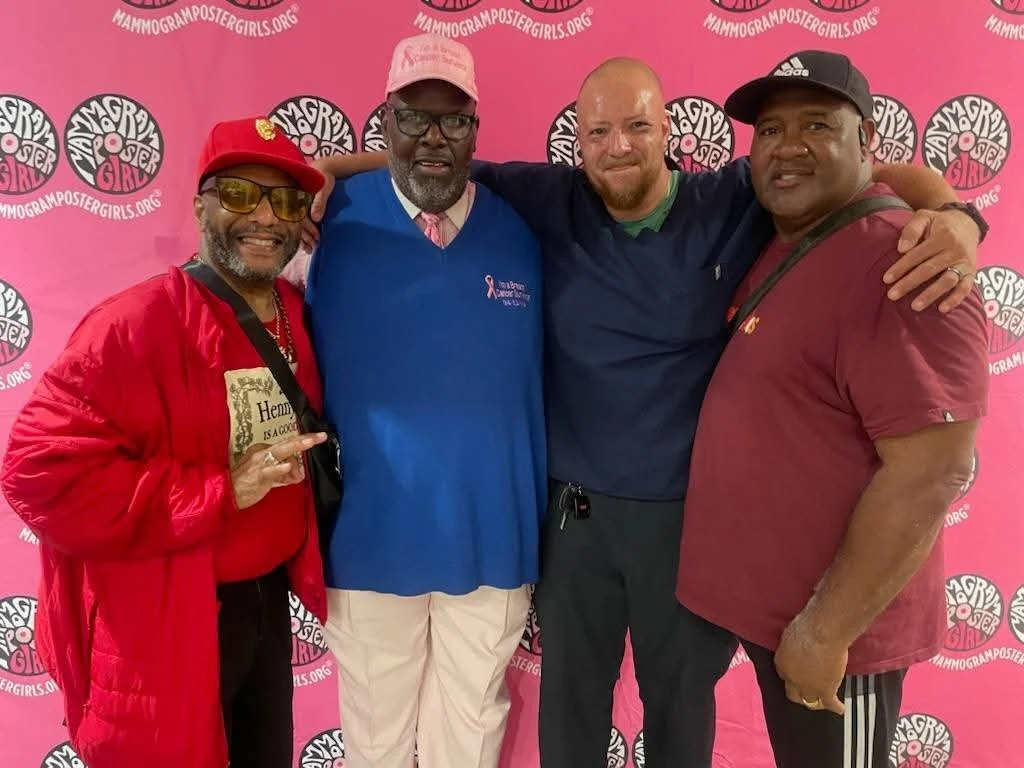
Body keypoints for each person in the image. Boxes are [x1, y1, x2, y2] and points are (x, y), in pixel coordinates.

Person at [305, 55, 987, 768]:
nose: (618, 146)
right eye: (599, 132)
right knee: (571, 708)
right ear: (577, 141)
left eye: (636, 126)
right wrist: (328, 170)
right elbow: (439, 165)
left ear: (667, 129)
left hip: (687, 522)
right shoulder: (548, 197)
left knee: (679, 707)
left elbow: (870, 177)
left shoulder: (734, 197)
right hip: (575, 520)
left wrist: (955, 215)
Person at [674, 50, 990, 767]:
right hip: (779, 617)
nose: (788, 147)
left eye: (817, 125)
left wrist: (825, 632)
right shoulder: (792, 234)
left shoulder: (906, 263)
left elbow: (932, 472)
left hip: (835, 639)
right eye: (771, 131)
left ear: (866, 140)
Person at [0, 117, 330, 768]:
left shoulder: (296, 313)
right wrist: (219, 490)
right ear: (200, 206)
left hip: (266, 604)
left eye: (287, 201)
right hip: (169, 615)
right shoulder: (134, 324)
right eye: (240, 194)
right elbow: (35, 472)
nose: (266, 217)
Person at [299, 34, 546, 768]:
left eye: (454, 120)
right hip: (366, 538)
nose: (434, 138)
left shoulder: (526, 228)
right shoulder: (324, 220)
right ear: (384, 122)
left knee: (469, 735)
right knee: (376, 741)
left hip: (493, 534)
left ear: (476, 129)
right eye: (413, 118)